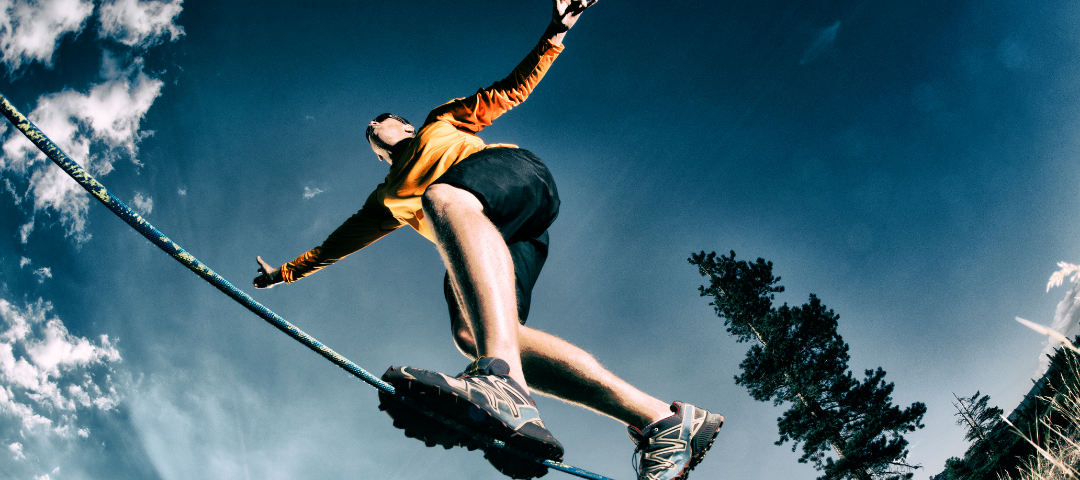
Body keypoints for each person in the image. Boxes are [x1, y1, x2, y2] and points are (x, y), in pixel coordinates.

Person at [252, 2, 723, 479]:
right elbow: (335, 246)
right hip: (491, 239)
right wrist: (284, 273)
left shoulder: (440, 123)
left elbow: (508, 91)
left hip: (516, 180)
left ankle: (502, 384)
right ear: (377, 156)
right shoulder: (386, 199)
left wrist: (556, 32)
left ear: (407, 125)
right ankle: (663, 420)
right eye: (370, 133)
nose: (375, 126)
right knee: (474, 335)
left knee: (442, 197)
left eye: (383, 119)